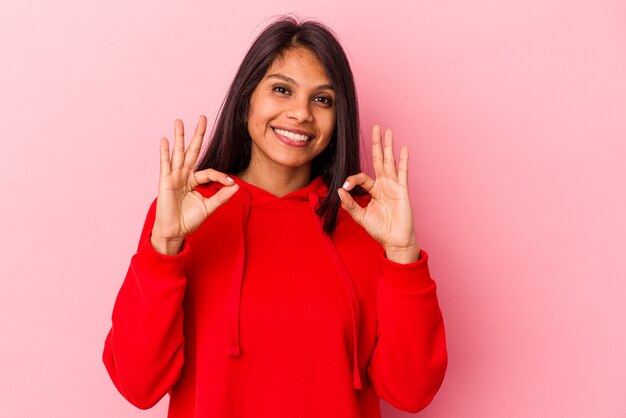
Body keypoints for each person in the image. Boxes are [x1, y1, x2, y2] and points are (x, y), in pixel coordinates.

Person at [103, 16, 447, 418]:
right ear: (247, 98)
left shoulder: (368, 222)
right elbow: (137, 385)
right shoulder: (188, 214)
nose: (301, 113)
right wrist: (162, 250)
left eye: (322, 99)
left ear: (338, 118)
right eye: (282, 90)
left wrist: (403, 255)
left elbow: (412, 392)